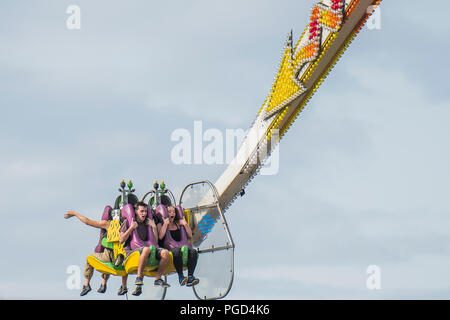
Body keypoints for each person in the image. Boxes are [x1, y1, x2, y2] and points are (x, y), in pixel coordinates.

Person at [64, 209, 129, 296]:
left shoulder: (108, 224)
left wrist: (75, 213)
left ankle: (86, 284)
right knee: (125, 258)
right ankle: (118, 285)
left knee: (90, 258)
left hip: (109, 258)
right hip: (122, 262)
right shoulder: (128, 225)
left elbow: (87, 221)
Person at [119, 201, 171, 296]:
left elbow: (155, 241)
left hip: (147, 248)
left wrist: (153, 226)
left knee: (165, 253)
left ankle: (158, 278)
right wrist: (131, 228)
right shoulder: (128, 222)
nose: (144, 214)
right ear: (136, 212)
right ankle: (139, 277)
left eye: (146, 211)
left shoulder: (148, 222)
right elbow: (121, 240)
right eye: (142, 211)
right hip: (133, 251)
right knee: (146, 249)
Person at [157, 205, 199, 287]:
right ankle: (180, 276)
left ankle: (190, 276)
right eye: (169, 212)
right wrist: (165, 224)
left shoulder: (178, 224)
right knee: (177, 251)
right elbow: (160, 237)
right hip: (168, 250)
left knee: (193, 252)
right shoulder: (160, 224)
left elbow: (190, 235)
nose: (172, 213)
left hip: (181, 247)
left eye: (174, 211)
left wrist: (185, 224)